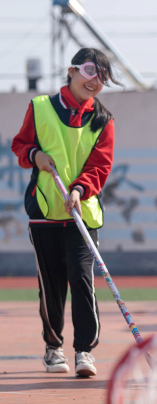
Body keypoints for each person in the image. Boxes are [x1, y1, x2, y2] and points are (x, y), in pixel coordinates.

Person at [11, 47, 118, 377]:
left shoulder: (103, 120)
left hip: (82, 214)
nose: (95, 81)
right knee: (52, 284)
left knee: (82, 278)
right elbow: (20, 146)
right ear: (71, 71)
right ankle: (53, 347)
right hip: (44, 210)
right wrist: (35, 156)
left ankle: (84, 351)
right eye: (89, 71)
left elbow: (101, 166)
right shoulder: (40, 108)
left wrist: (79, 189)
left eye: (102, 76)